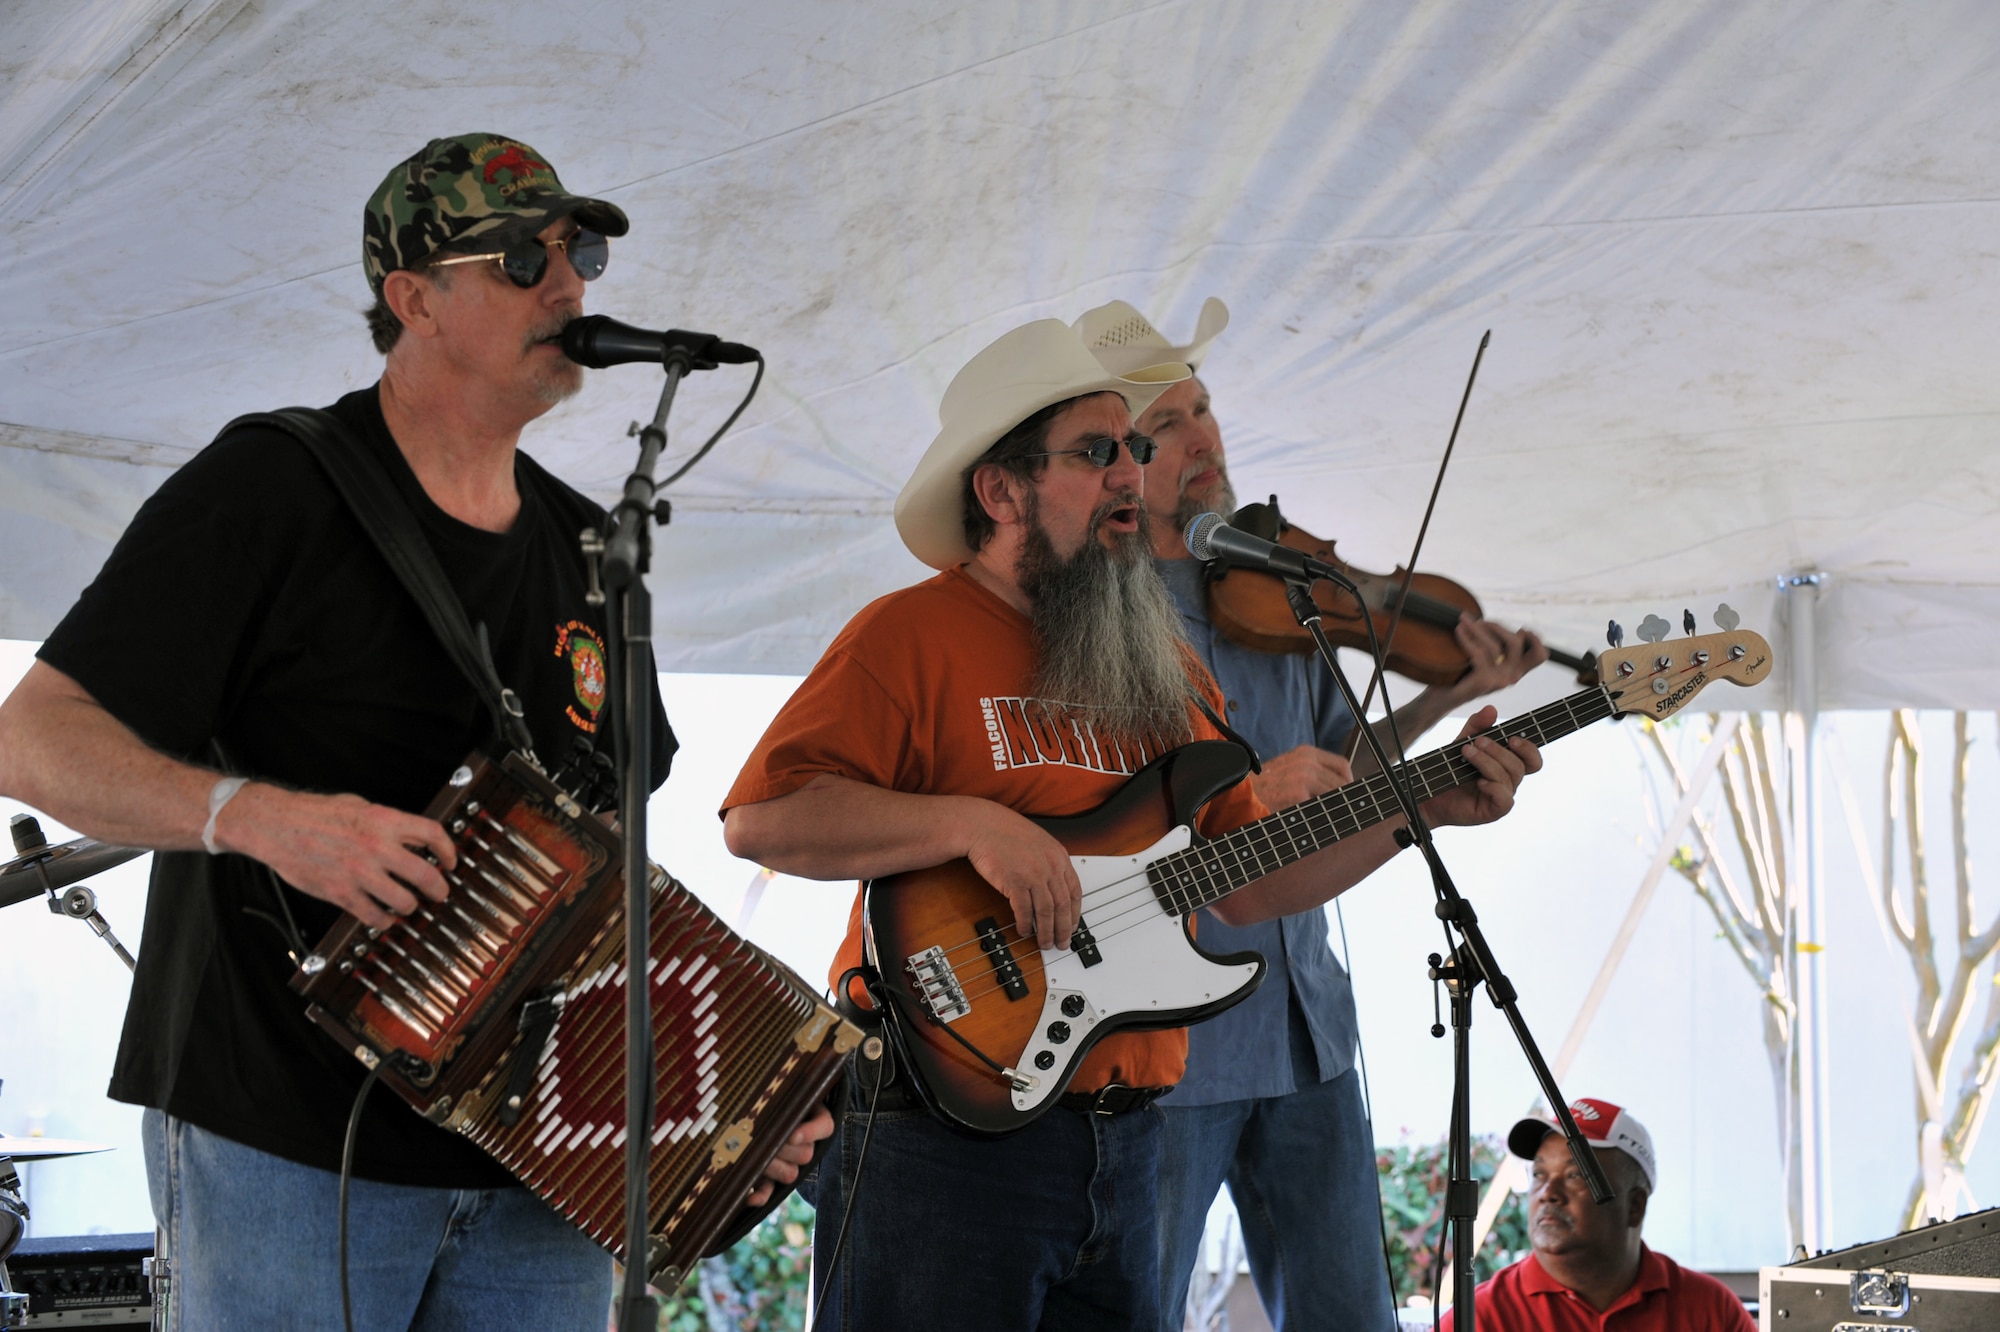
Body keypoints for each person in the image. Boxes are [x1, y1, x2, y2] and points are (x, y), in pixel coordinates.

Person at [0, 133, 828, 1331]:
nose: (568, 285)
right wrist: (255, 818)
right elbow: (32, 738)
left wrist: (718, 1110)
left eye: (580, 254)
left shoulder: (591, 547)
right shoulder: (272, 487)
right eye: (522, 258)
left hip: (534, 1158)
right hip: (286, 1135)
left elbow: (594, 884)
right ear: (413, 299)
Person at [719, 316, 1542, 1331]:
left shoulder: (1166, 666)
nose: (1129, 472)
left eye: (1133, 446)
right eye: (1094, 451)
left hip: (1124, 1145)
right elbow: (765, 820)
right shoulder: (910, 633)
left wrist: (1424, 808)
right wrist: (974, 826)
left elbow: (1247, 880)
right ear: (1001, 489)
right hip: (939, 1134)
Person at [1070, 298, 1550, 1331]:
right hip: (1168, 1045)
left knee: (1350, 1316)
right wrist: (1249, 790)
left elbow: (1343, 774)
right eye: (1168, 426)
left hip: (1306, 1031)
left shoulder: (1276, 592)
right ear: (1120, 465)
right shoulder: (1097, 615)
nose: (1203, 438)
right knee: (1137, 1312)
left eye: (1204, 409)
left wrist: (1443, 698)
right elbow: (1096, 817)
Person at [1441, 1098, 1755, 1331]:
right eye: (1538, 1174)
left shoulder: (1710, 1310)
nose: (1548, 1192)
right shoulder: (1480, 1317)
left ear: (1635, 1206)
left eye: (1575, 1175)